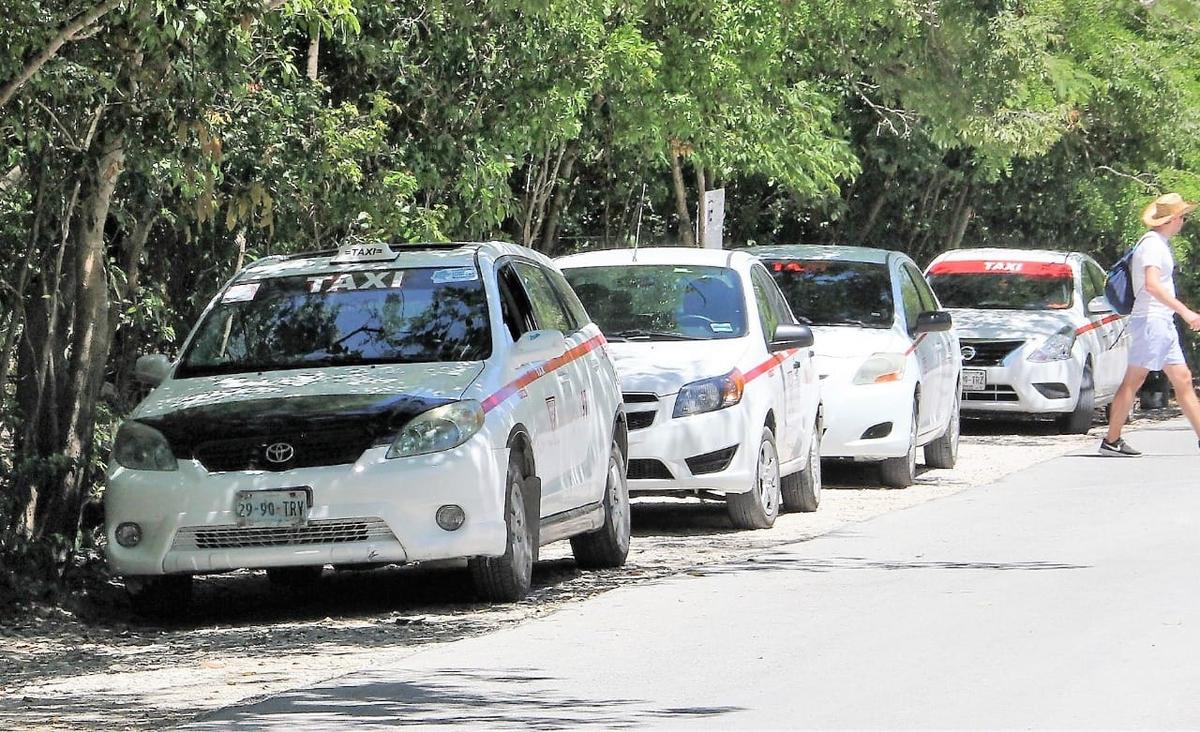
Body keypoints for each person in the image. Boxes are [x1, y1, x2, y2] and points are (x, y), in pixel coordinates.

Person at [1100, 192, 1200, 456]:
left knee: (1183, 379)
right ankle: (1111, 440)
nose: (1183, 222)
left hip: (1160, 322)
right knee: (1134, 380)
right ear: (1173, 219)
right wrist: (1186, 312)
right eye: (1183, 217)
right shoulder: (1153, 245)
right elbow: (1153, 286)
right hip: (1151, 321)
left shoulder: (1158, 244)